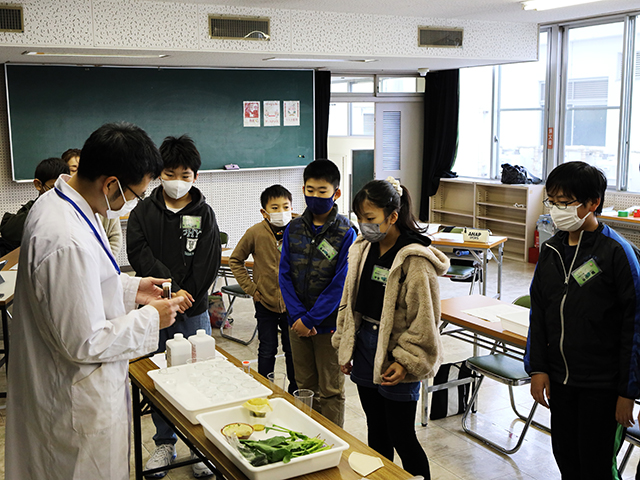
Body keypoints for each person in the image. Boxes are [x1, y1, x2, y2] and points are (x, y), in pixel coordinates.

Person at [5, 122, 184, 480]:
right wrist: (152, 317)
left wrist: (132, 290)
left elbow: (76, 289)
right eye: (133, 194)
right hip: (71, 405)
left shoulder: (63, 204)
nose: (131, 203)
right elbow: (84, 339)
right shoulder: (65, 238)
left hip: (66, 388)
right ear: (111, 184)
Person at [524, 161, 640, 480]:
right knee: (566, 459)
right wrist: (538, 368)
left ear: (592, 203)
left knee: (597, 467)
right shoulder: (551, 251)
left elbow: (636, 324)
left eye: (567, 202)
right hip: (561, 382)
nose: (558, 209)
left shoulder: (617, 252)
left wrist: (627, 392)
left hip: (602, 387)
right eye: (553, 201)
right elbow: (540, 315)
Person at [332, 178, 448, 478]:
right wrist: (346, 342)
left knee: (402, 435)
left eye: (370, 218)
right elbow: (350, 300)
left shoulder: (414, 259)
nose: (364, 225)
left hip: (397, 352)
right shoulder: (362, 248)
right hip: (365, 344)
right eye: (359, 218)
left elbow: (425, 320)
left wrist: (406, 361)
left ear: (392, 216)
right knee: (376, 430)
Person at [126, 134, 221, 479]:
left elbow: (209, 263)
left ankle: (200, 446)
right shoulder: (142, 211)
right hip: (156, 309)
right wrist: (172, 291)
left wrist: (186, 296)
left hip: (194, 312)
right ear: (158, 174)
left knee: (199, 376)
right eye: (170, 173)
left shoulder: (204, 214)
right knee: (159, 378)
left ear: (195, 176)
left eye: (185, 174)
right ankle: (164, 443)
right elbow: (139, 253)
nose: (178, 181)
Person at [278, 159, 356, 427]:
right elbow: (284, 274)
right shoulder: (293, 228)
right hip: (297, 324)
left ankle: (333, 444)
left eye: (322, 191)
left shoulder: (346, 232)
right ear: (303, 189)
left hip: (329, 327)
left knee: (331, 390)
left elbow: (340, 283)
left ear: (336, 193)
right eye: (310, 190)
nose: (315, 196)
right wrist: (298, 316)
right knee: (304, 386)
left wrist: (311, 319)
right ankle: (305, 437)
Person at [229, 184, 298, 393]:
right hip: (265, 301)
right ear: (264, 212)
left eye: (285, 207)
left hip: (293, 305)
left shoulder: (298, 229)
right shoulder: (255, 232)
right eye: (275, 208)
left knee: (293, 350)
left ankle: (295, 392)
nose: (281, 212)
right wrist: (251, 288)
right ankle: (263, 389)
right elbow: (235, 260)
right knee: (267, 349)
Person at [0, 157, 69, 256]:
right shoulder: (34, 208)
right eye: (53, 187)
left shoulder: (70, 205)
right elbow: (9, 231)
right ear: (38, 185)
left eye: (63, 187)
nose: (59, 192)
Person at [62, 147, 123, 255]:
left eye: (81, 169)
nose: (78, 174)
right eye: (74, 169)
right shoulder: (61, 204)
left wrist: (107, 262)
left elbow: (115, 237)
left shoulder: (103, 200)